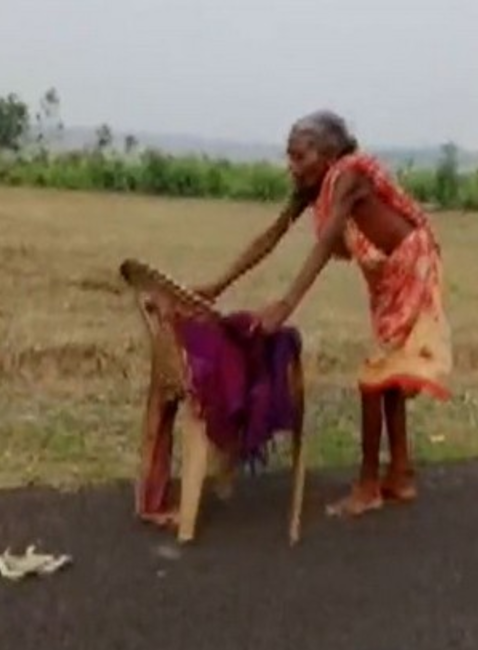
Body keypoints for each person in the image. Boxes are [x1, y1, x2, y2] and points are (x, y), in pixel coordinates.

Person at [193, 110, 454, 518]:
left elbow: (327, 240)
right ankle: (400, 475)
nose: (291, 166)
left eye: (300, 157)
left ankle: (369, 486)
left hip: (410, 269)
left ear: (329, 153)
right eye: (289, 156)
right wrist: (218, 284)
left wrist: (286, 304)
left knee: (374, 379)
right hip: (389, 275)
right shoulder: (315, 186)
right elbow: (270, 237)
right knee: (389, 374)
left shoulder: (349, 175)